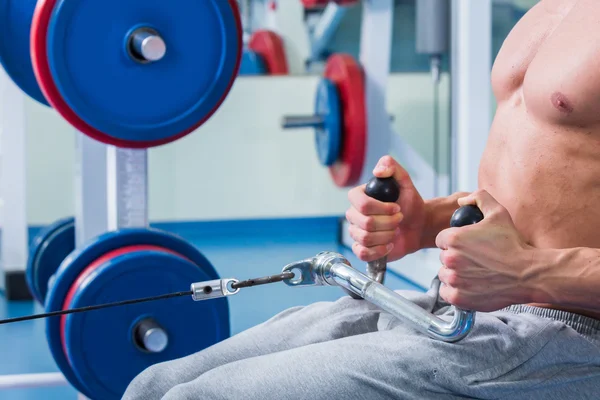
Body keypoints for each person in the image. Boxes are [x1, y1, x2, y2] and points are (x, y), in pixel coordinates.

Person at [123, 1, 600, 398]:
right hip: (456, 309)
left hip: (562, 336)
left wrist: (525, 271)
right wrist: (427, 223)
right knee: (155, 385)